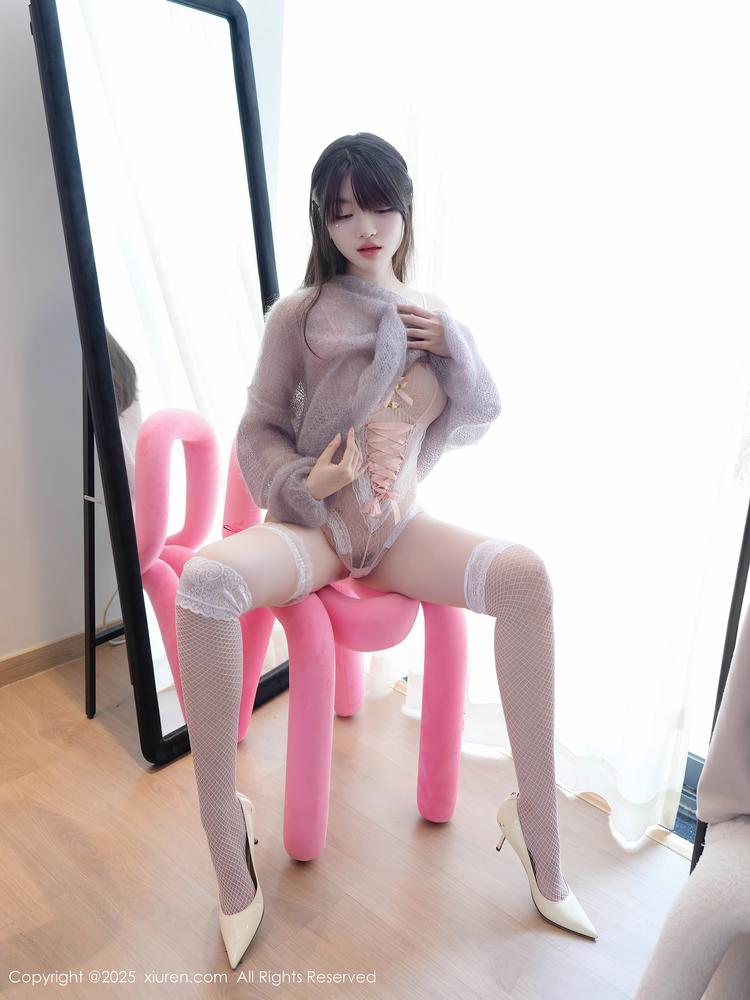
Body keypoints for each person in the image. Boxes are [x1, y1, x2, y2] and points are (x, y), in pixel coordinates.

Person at [174, 132, 598, 970]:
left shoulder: (432, 316)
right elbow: (257, 430)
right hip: (317, 528)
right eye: (342, 213)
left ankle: (537, 831)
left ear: (405, 208)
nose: (364, 227)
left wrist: (454, 342)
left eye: (378, 206)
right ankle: (227, 838)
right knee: (204, 585)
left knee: (526, 578)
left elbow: (478, 412)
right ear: (322, 222)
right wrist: (307, 480)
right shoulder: (300, 315)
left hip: (397, 529)